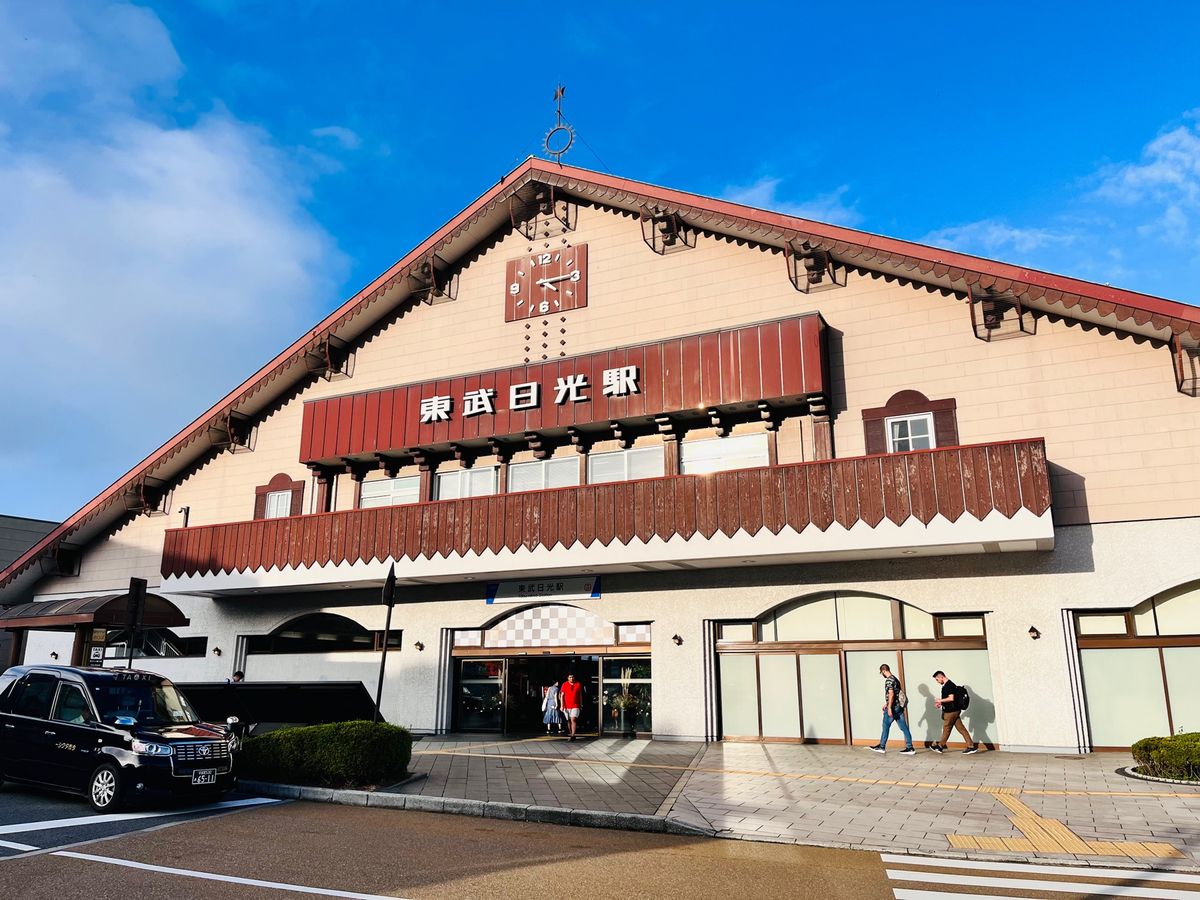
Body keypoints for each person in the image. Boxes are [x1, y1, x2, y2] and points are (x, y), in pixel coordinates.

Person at [868, 664, 915, 755]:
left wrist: (889, 707)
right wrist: (886, 704)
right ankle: (910, 747)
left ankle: (882, 746)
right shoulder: (895, 679)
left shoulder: (889, 680)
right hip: (898, 707)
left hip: (893, 708)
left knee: (885, 725)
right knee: (904, 727)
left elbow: (891, 694)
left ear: (883, 671)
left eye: (881, 672)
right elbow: (897, 694)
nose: (882, 674)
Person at [932, 670, 978, 754]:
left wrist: (940, 700)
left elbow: (951, 698)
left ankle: (940, 746)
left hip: (951, 712)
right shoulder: (949, 685)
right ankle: (971, 746)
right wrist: (940, 703)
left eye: (937, 680)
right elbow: (951, 699)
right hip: (955, 711)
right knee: (961, 728)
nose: (937, 682)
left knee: (947, 728)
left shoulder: (949, 685)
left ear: (941, 677)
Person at [558, 673, 584, 741]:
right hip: (566, 706)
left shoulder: (578, 684)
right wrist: (561, 705)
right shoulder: (564, 684)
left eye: (572, 677)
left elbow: (580, 695)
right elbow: (562, 696)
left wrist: (581, 704)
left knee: (573, 719)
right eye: (570, 677)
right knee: (568, 720)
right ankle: (571, 733)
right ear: (567, 678)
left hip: (575, 705)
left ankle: (573, 735)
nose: (571, 678)